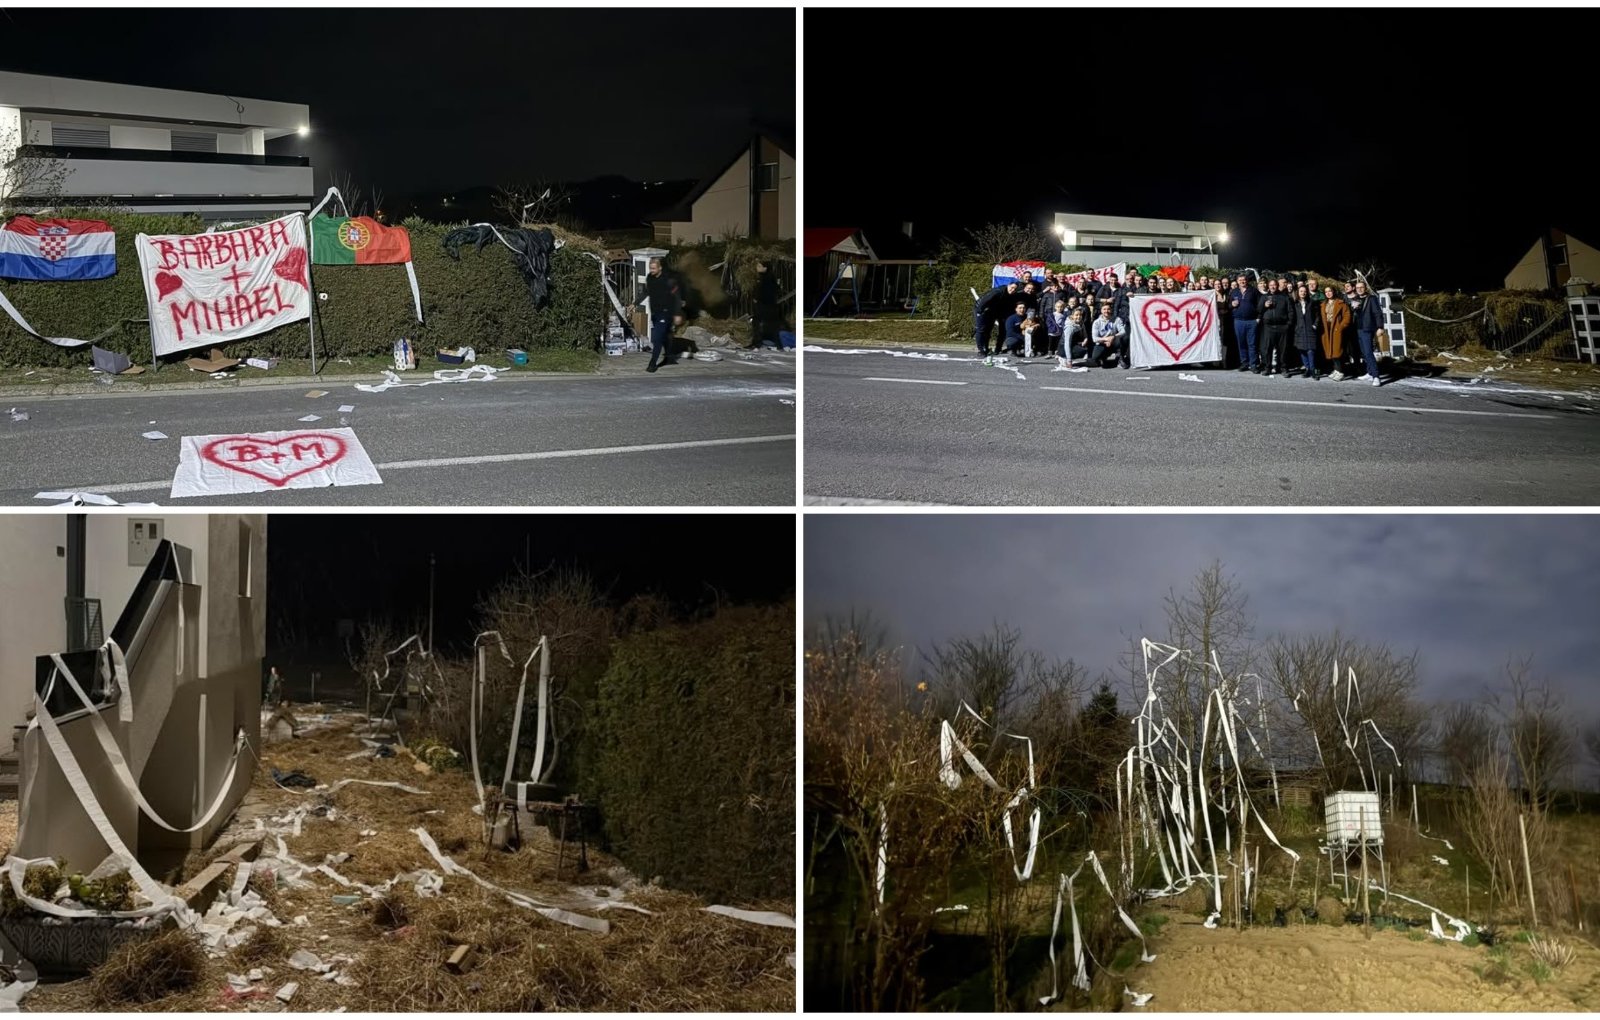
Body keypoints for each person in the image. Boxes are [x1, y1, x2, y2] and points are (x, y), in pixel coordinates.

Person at [633, 258, 684, 372]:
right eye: (650, 268)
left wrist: (677, 313)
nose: (651, 270)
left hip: (666, 312)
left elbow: (677, 297)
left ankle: (652, 363)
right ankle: (669, 357)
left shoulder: (668, 280)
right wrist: (635, 303)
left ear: (660, 268)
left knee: (657, 337)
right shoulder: (650, 278)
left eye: (654, 268)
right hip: (655, 312)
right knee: (665, 335)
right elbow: (646, 291)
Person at [1350, 279, 1384, 384]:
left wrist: (1380, 327)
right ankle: (1369, 373)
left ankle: (1376, 376)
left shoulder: (1371, 298)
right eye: (1357, 287)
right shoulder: (1355, 299)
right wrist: (1353, 309)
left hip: (1367, 328)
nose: (1359, 289)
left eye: (1362, 287)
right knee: (1364, 352)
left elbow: (1378, 313)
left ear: (1365, 288)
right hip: (1357, 328)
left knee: (1368, 352)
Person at [974, 280, 1019, 355]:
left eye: (1015, 289)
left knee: (989, 330)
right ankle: (981, 350)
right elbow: (985, 300)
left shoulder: (1012, 295)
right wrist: (979, 311)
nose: (1013, 290)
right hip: (983, 309)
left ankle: (988, 348)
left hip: (994, 311)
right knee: (981, 329)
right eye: (1012, 287)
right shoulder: (998, 291)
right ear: (1008, 285)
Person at [1259, 278, 1293, 377]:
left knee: (1283, 349)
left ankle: (1283, 368)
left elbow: (1290, 311)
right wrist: (1264, 305)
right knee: (1267, 349)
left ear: (1277, 286)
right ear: (1268, 286)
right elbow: (1258, 310)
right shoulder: (1264, 297)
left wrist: (1289, 324)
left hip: (1282, 326)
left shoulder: (1284, 297)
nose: (1272, 287)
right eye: (1271, 285)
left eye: (1274, 285)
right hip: (1268, 327)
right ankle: (1267, 368)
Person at [1229, 273, 1261, 372]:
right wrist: (1232, 304)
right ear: (1237, 281)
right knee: (1241, 343)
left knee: (1252, 344)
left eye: (1244, 280)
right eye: (1240, 280)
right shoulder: (1234, 291)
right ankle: (1244, 363)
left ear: (1247, 280)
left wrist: (1258, 317)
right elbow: (1229, 305)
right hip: (1238, 321)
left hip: (1252, 321)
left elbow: (1260, 305)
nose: (1242, 281)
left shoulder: (1253, 291)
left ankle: (1253, 364)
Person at [1320, 284, 1352, 380]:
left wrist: (1340, 327)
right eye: (1326, 292)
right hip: (1327, 330)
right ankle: (1336, 369)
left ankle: (1340, 371)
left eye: (1330, 291)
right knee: (1330, 351)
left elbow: (1347, 316)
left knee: (1337, 351)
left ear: (1333, 292)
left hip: (1336, 329)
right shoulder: (1323, 304)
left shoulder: (1340, 303)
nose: (1328, 293)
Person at [1291, 283, 1322, 379]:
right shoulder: (1295, 303)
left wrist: (1315, 325)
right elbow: (1292, 317)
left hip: (1310, 329)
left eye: (1305, 291)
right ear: (1298, 292)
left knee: (1310, 350)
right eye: (1301, 291)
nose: (1303, 293)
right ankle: (1307, 368)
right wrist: (1295, 327)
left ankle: (1313, 370)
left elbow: (1318, 316)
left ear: (1307, 292)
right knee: (1302, 349)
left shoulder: (1312, 302)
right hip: (1299, 329)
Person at [1086, 300, 1128, 368]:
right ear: (1101, 310)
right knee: (1095, 358)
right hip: (1102, 343)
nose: (1106, 311)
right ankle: (1103, 358)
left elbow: (1123, 331)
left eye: (1108, 309)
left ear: (1111, 310)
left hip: (1114, 341)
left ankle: (1120, 358)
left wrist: (1113, 337)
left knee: (1124, 338)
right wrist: (1106, 340)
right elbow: (1095, 339)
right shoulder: (1096, 322)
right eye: (1104, 309)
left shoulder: (1117, 319)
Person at [749, 258, 780, 350]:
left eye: (759, 266)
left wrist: (757, 298)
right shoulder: (763, 277)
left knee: (759, 323)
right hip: (764, 305)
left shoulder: (767, 278)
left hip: (765, 305)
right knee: (759, 322)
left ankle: (759, 342)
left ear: (765, 268)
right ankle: (758, 341)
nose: (757, 268)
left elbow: (766, 292)